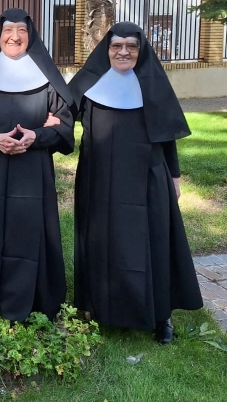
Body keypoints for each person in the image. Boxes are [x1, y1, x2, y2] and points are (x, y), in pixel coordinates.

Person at [69, 22, 202, 344]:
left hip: (147, 179)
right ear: (106, 50)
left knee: (152, 243)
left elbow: (167, 135)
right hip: (98, 179)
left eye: (131, 46)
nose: (124, 52)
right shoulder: (90, 85)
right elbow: (59, 116)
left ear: (141, 51)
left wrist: (174, 176)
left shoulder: (153, 85)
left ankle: (160, 316)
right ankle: (95, 308)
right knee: (100, 240)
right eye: (116, 46)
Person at [0, 8, 74, 322]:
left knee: (27, 231)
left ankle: (29, 303)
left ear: (30, 35)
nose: (15, 37)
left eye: (21, 30)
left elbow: (64, 127)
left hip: (31, 171)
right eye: (8, 30)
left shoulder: (46, 77)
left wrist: (38, 135)